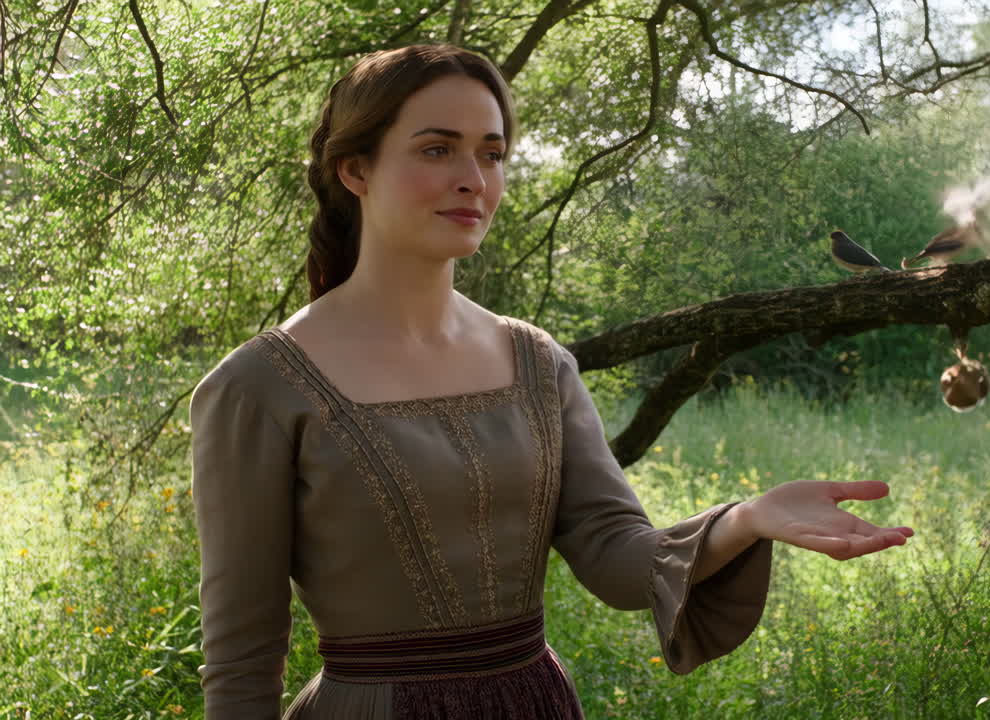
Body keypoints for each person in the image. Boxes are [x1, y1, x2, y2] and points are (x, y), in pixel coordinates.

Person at [189, 43, 914, 720]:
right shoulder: (259, 385)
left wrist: (745, 518)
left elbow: (614, 557)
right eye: (437, 149)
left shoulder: (538, 363)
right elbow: (243, 654)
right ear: (356, 170)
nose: (474, 179)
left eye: (492, 153)